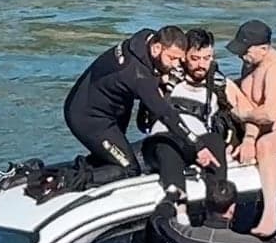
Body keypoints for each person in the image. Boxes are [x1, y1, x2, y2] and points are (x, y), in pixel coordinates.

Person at [63, 26, 220, 186]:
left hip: (100, 104)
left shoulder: (146, 38)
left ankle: (83, 169)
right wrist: (198, 146)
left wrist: (159, 77)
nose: (175, 65)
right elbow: (167, 115)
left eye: (179, 59)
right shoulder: (138, 76)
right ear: (156, 48)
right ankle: (66, 181)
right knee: (130, 169)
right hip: (88, 118)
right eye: (171, 58)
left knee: (108, 157)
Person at [139, 28, 246, 197]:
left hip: (200, 147)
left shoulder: (220, 85)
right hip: (165, 142)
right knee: (168, 147)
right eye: (195, 59)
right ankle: (176, 206)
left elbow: (247, 114)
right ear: (183, 56)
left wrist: (248, 141)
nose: (201, 65)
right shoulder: (164, 78)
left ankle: (218, 204)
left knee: (215, 141)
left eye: (207, 58)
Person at [224, 19, 276, 237]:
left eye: (245, 51)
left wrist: (243, 116)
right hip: (254, 127)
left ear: (263, 48)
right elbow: (249, 103)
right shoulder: (250, 62)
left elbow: (269, 114)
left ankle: (271, 215)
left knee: (266, 146)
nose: (241, 56)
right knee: (225, 85)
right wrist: (248, 138)